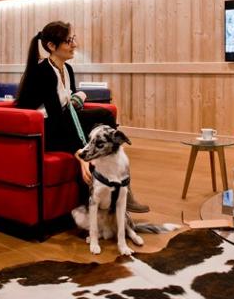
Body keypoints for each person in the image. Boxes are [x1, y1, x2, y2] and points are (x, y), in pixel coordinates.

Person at [15, 21, 149, 213]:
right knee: (92, 131)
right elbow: (57, 117)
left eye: (73, 39)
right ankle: (111, 195)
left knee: (104, 117)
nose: (74, 45)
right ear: (52, 46)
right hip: (43, 131)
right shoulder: (43, 72)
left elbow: (70, 108)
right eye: (68, 41)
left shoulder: (67, 69)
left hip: (62, 121)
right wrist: (80, 152)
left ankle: (119, 191)